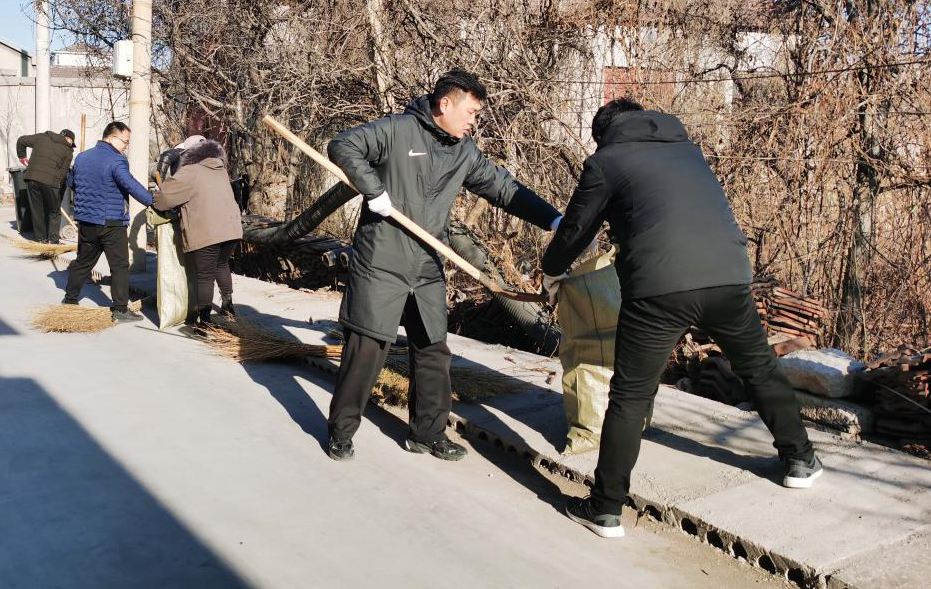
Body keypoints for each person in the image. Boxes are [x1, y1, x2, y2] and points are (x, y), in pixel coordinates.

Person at [541, 97, 822, 540]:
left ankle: (606, 507)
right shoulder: (689, 151)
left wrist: (552, 269)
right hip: (729, 277)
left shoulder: (606, 162)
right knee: (758, 367)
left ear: (605, 131)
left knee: (631, 393)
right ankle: (801, 459)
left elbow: (577, 230)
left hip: (658, 290)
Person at [325, 69, 562, 462]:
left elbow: (503, 188)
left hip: (427, 264)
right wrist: (374, 190)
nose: (473, 120)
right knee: (367, 349)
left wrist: (554, 220)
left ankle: (428, 432)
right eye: (470, 111)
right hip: (382, 260)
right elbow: (343, 145)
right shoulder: (397, 131)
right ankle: (341, 431)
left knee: (433, 351)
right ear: (445, 103)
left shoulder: (464, 152)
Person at [62, 121, 153, 322]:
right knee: (119, 266)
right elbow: (130, 185)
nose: (126, 145)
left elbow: (71, 183)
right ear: (112, 137)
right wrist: (153, 201)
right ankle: (120, 310)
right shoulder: (116, 160)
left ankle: (70, 300)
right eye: (125, 141)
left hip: (86, 221)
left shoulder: (82, 157)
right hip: (111, 223)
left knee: (83, 262)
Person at [152, 137, 244, 334]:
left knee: (204, 275)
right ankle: (228, 305)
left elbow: (165, 199)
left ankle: (203, 322)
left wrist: (156, 196)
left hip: (208, 231)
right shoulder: (219, 170)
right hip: (231, 229)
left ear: (187, 154)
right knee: (221, 264)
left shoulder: (191, 171)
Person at [16, 128, 76, 244]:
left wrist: (22, 156)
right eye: (72, 142)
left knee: (37, 210)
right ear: (68, 139)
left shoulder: (43, 137)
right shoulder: (68, 151)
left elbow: (21, 140)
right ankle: (53, 241)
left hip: (31, 178)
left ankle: (41, 240)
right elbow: (63, 173)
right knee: (54, 211)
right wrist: (58, 189)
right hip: (50, 182)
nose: (71, 145)